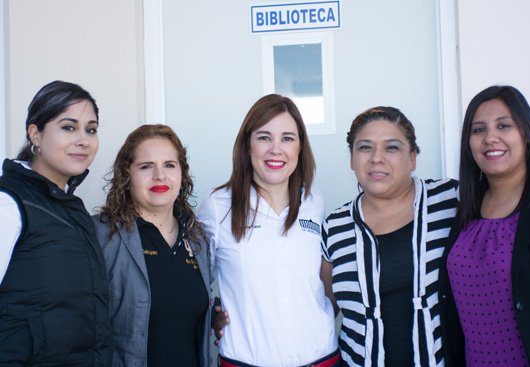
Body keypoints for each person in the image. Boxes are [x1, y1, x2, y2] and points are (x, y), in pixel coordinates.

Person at [198, 94, 339, 367]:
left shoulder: (314, 202)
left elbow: (324, 282)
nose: (276, 149)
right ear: (247, 145)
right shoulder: (217, 205)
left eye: (288, 138)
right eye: (264, 137)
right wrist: (211, 315)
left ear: (300, 147)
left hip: (322, 359)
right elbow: (192, 283)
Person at [321, 106, 459, 367]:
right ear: (352, 159)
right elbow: (320, 311)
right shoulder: (335, 227)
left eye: (392, 147)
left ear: (413, 157)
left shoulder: (452, 202)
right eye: (365, 147)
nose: (376, 158)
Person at [0, 80, 112, 366]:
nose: (83, 140)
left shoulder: (72, 208)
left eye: (91, 129)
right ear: (35, 135)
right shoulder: (9, 202)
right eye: (68, 127)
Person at [439, 85, 530, 367]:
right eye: (478, 130)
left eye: (504, 125)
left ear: (526, 135)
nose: (490, 138)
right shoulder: (465, 206)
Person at [93, 124, 211, 367]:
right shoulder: (102, 235)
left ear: (182, 173)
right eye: (146, 166)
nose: (160, 176)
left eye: (169, 165)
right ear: (127, 174)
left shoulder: (197, 237)